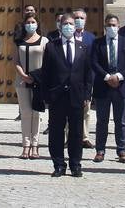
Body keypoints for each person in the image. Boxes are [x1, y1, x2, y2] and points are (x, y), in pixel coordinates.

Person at [39, 12, 93, 177]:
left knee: (76, 133)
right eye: (66, 24)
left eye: (71, 23)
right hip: (57, 97)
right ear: (60, 26)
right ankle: (58, 164)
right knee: (56, 132)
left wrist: (86, 95)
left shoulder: (83, 47)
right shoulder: (51, 46)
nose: (69, 26)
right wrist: (47, 96)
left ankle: (75, 164)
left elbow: (87, 74)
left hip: (76, 97)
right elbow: (46, 73)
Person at [90, 13, 125, 163]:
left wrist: (119, 76)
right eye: (108, 25)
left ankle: (122, 150)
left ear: (118, 26)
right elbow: (94, 62)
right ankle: (100, 150)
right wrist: (107, 77)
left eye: (114, 25)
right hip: (102, 87)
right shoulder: (97, 43)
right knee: (101, 121)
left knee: (121, 121)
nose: (111, 27)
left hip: (121, 86)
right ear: (105, 27)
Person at [15, 11, 47, 159]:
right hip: (22, 82)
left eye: (33, 22)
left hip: (39, 82)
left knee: (37, 113)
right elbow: (16, 61)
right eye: (28, 22)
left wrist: (35, 77)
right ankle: (25, 145)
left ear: (37, 24)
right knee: (26, 113)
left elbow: (47, 62)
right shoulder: (19, 41)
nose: (30, 25)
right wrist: (23, 75)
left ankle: (35, 145)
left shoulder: (44, 41)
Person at [72, 7, 95, 147]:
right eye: (76, 18)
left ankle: (85, 137)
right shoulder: (67, 36)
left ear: (85, 21)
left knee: (86, 109)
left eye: (81, 18)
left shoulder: (91, 38)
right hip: (70, 78)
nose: (79, 20)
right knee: (69, 109)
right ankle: (70, 137)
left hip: (86, 78)